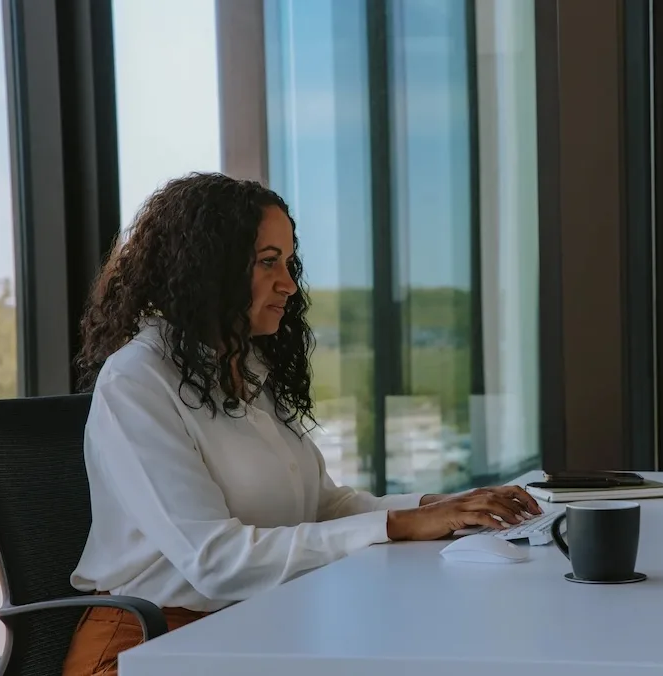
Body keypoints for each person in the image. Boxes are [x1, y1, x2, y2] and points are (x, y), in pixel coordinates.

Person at [62, 172, 541, 676]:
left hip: (254, 625)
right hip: (150, 645)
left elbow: (323, 506)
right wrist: (399, 524)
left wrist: (442, 507)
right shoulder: (137, 380)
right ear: (210, 267)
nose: (289, 284)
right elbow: (215, 560)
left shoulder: (248, 370)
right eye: (269, 262)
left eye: (288, 263)